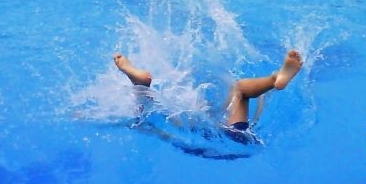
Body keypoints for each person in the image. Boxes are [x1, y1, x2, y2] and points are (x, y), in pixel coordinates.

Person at [113, 49, 303, 141]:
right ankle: (274, 79)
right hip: (237, 137)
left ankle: (140, 85)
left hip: (205, 140)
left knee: (146, 116)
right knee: (239, 90)